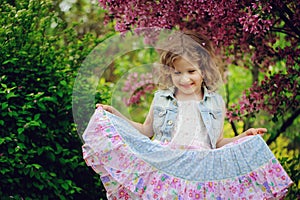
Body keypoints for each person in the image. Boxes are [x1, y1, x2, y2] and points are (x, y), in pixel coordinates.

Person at [82, 30, 293, 200]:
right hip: (167, 163)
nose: (184, 79)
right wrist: (117, 115)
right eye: (177, 73)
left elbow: (218, 141)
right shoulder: (161, 98)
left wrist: (242, 137)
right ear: (170, 72)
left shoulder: (215, 103)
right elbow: (146, 131)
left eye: (191, 72)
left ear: (203, 70)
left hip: (201, 168)